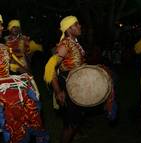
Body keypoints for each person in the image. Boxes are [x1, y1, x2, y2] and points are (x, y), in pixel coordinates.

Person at [44, 15, 117, 143]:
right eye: (76, 24)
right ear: (68, 28)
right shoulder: (65, 45)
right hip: (69, 86)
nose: (80, 26)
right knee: (70, 126)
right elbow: (50, 68)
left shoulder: (74, 42)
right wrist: (57, 91)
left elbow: (76, 64)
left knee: (75, 121)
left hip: (77, 85)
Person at [0, 14, 49, 143]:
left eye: (18, 27)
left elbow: (19, 61)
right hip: (6, 88)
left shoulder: (11, 46)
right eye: (13, 27)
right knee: (9, 123)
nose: (2, 27)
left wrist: (28, 74)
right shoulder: (6, 41)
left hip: (15, 82)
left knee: (34, 104)